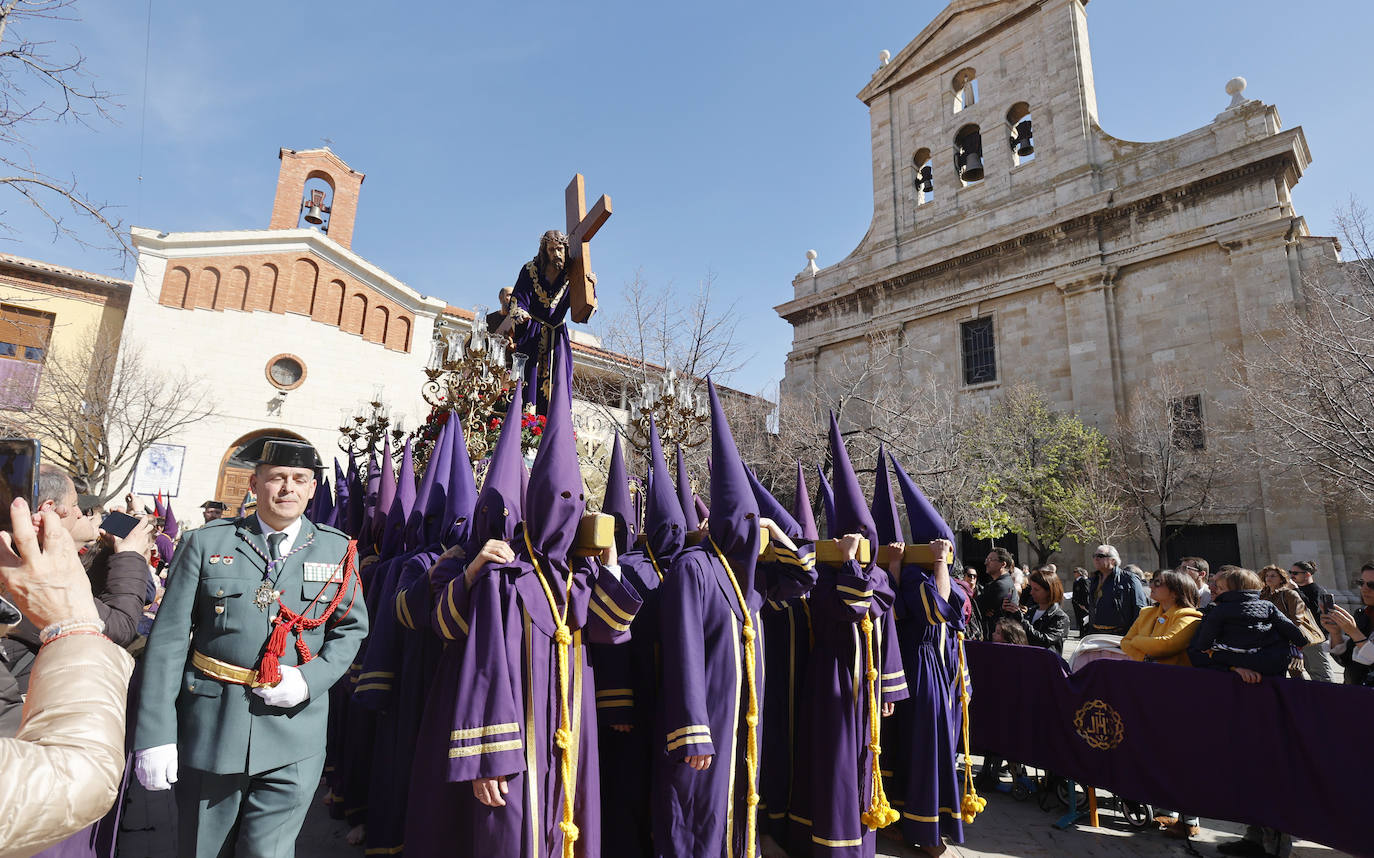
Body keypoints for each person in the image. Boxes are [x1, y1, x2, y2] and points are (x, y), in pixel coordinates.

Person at [132, 439, 369, 858]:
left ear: (313, 489)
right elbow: (168, 641)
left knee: (270, 852)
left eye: (300, 480)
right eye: (276, 478)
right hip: (212, 726)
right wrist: (155, 735)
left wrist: (308, 680)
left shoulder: (337, 549)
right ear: (255, 483)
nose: (287, 489)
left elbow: (350, 630)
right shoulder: (206, 543)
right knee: (203, 848)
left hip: (295, 730)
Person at [655, 382, 814, 858]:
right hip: (705, 727)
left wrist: (776, 534)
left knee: (739, 810)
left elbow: (804, 578)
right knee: (697, 814)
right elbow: (684, 651)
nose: (751, 530)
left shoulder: (754, 581)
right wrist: (693, 728)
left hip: (745, 721)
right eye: (745, 520)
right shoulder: (693, 568)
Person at [0, 497, 135, 858]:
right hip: (38, 743)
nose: (83, 513)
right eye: (78, 505)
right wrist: (72, 624)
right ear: (48, 509)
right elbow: (80, 777)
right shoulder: (24, 573)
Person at [501, 229, 596, 414]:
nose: (557, 254)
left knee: (558, 384)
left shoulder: (574, 273)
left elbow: (582, 312)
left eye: (560, 249)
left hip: (558, 337)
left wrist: (590, 287)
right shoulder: (530, 270)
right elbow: (519, 299)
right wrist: (520, 312)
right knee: (527, 382)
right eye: (552, 249)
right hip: (532, 334)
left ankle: (555, 431)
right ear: (544, 250)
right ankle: (527, 427)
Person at [1187, 567, 1306, 682]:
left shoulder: (1220, 610)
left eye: (1219, 587)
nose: (1213, 588)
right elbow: (1288, 626)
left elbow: (1205, 639)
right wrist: (1300, 642)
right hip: (1261, 663)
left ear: (1231, 590)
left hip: (1236, 659)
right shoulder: (1267, 605)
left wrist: (1205, 648)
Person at [1119, 569, 1202, 667]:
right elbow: (1125, 643)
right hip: (1145, 673)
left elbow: (1165, 646)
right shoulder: (1146, 613)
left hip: (1174, 677)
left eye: (1158, 583)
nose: (1151, 586)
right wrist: (1145, 657)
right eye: (1152, 581)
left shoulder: (1189, 617)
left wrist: (1136, 640)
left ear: (1175, 592)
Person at [1258, 565, 1323, 677]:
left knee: (1298, 673)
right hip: (1271, 641)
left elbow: (1297, 619)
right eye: (1267, 576)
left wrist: (1286, 634)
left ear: (1281, 579)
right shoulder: (1263, 596)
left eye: (1273, 576)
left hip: (1291, 640)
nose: (1269, 578)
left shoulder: (1289, 594)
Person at [1324, 562, 1374, 687]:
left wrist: (1354, 633)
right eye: (1361, 583)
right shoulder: (1362, 614)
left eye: (1372, 585)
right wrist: (1336, 634)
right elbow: (1347, 661)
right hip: (1356, 692)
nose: (1364, 589)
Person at [1085, 544, 1148, 635]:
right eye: (1094, 556)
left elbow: (1140, 608)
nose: (1096, 559)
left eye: (1100, 556)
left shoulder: (1129, 579)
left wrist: (1133, 634)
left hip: (1120, 634)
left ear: (1113, 560)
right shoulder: (1094, 580)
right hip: (1096, 633)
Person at [1288, 560, 1334, 681]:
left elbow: (1312, 611)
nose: (1292, 576)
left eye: (1295, 573)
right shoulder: (1299, 590)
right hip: (1304, 638)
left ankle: (1333, 698)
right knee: (1311, 671)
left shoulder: (1316, 589)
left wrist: (1296, 590)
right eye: (1290, 572)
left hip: (1315, 638)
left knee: (1321, 674)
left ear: (1307, 574)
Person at [1009, 568, 1070, 655]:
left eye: (1036, 590)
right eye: (1032, 588)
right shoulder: (1031, 611)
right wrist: (1009, 612)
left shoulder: (1060, 617)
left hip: (1046, 664)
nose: (1031, 593)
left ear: (1049, 591)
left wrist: (1021, 620)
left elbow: (1044, 641)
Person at [975, 547, 1016, 631]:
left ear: (1003, 564)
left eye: (990, 560)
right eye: (987, 559)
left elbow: (975, 606)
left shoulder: (999, 585)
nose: (986, 563)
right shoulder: (1005, 581)